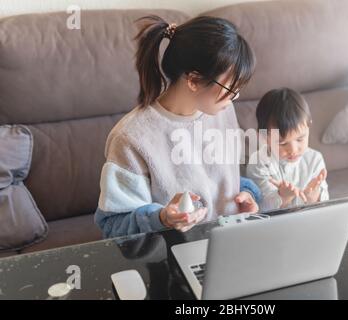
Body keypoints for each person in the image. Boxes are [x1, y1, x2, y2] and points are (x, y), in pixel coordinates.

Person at [95, 15, 261, 238]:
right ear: (192, 80)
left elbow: (221, 178)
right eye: (229, 90)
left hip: (232, 241)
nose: (233, 99)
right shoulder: (130, 138)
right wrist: (162, 217)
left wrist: (247, 194)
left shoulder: (221, 110)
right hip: (174, 253)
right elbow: (113, 224)